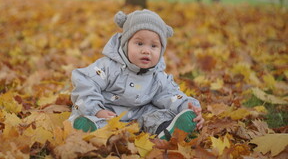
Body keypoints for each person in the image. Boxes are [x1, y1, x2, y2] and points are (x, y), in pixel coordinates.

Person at [69, 9, 204, 140]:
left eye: (153, 46)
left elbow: (171, 95)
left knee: (157, 114)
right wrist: (96, 110)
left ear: (161, 50)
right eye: (139, 43)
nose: (146, 51)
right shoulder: (109, 67)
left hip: (139, 115)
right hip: (107, 110)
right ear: (125, 44)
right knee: (95, 118)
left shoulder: (157, 76)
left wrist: (188, 105)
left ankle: (168, 129)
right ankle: (90, 127)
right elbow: (86, 81)